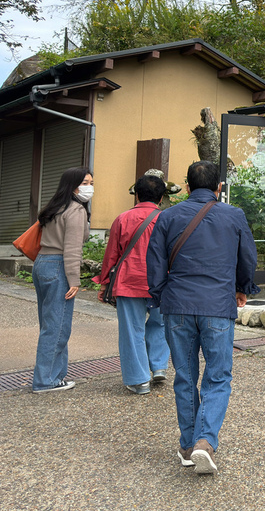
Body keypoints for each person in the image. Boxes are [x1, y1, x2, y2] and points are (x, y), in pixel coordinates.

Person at [146, 160, 259, 475]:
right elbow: (247, 257)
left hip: (177, 305)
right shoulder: (233, 215)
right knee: (218, 376)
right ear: (219, 188)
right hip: (217, 305)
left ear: (186, 187)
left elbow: (154, 262)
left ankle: (187, 444)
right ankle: (205, 442)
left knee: (184, 376)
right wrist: (242, 288)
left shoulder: (167, 216)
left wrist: (159, 294)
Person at [96, 173, 170, 395]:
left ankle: (139, 380)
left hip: (129, 280)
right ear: (161, 198)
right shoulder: (168, 219)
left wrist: (103, 284)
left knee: (132, 330)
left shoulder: (122, 219)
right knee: (160, 324)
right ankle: (158, 366)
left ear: (136, 195)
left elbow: (112, 255)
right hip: (161, 281)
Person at [32, 166, 93, 393]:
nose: (90, 188)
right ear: (73, 186)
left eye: (90, 183)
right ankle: (45, 381)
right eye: (85, 183)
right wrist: (75, 280)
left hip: (42, 264)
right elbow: (72, 249)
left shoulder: (55, 207)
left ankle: (56, 377)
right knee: (57, 328)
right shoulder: (75, 210)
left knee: (50, 324)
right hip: (59, 266)